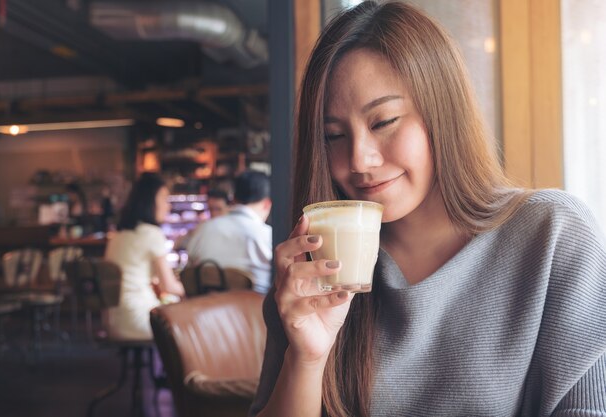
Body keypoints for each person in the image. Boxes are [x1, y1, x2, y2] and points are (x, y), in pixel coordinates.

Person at [250, 2, 606, 417]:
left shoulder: (552, 235)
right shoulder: (316, 268)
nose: (360, 159)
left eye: (383, 122)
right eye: (333, 135)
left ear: (442, 111)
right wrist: (307, 358)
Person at [104, 172, 184, 340]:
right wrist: (194, 291)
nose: (167, 206)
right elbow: (169, 287)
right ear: (151, 201)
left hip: (114, 320)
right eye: (164, 199)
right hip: (140, 320)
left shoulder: (119, 235)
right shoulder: (152, 233)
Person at [186, 170, 273, 294]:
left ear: (233, 199)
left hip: (205, 308)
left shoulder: (203, 229)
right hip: (255, 310)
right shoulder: (268, 235)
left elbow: (189, 272)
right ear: (267, 204)